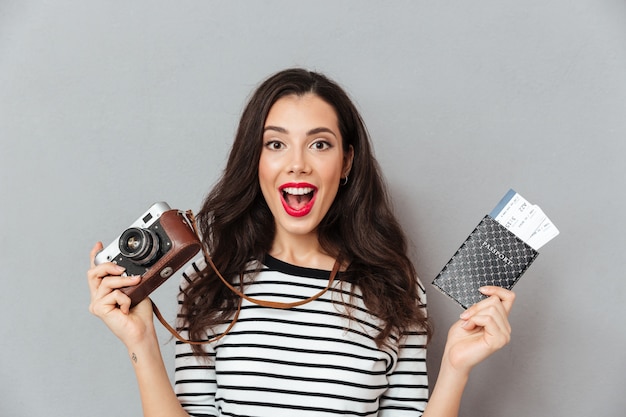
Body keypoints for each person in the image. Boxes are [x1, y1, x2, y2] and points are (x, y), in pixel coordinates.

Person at [87, 68, 515, 417]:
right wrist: (141, 340)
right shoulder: (209, 281)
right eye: (276, 144)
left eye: (319, 144)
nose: (297, 164)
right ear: (256, 161)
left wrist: (455, 369)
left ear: (346, 161)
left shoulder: (396, 290)